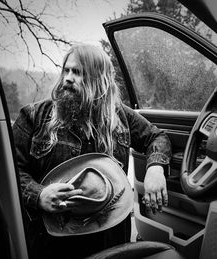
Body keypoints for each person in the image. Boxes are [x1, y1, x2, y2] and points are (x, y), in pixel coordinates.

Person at [12, 43, 171, 259]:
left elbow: (157, 136)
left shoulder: (120, 116)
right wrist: (38, 194)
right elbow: (9, 172)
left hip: (109, 236)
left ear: (98, 78)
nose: (67, 78)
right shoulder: (34, 116)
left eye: (77, 72)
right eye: (66, 70)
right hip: (53, 238)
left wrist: (155, 168)